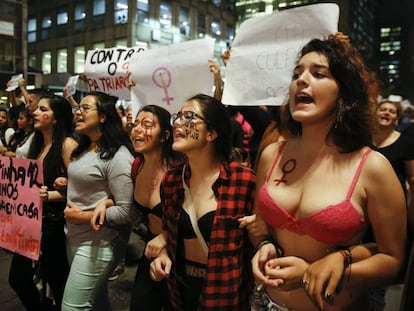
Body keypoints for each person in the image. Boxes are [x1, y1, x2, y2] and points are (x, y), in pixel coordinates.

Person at [250, 33, 406, 311]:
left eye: (318, 74)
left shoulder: (371, 167)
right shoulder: (272, 154)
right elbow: (262, 228)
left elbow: (393, 260)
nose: (302, 79)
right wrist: (264, 246)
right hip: (266, 304)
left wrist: (332, 266)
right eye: (298, 73)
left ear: (343, 93)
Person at [150, 94, 256, 310]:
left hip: (224, 295)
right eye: (177, 116)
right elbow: (168, 232)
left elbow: (260, 239)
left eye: (189, 116)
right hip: (178, 291)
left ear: (212, 133)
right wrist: (162, 254)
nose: (178, 122)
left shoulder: (243, 181)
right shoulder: (171, 180)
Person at [62, 91, 136, 310]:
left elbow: (127, 212)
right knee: (96, 303)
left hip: (100, 241)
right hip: (75, 237)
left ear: (103, 116)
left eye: (86, 108)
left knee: (73, 307)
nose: (78, 113)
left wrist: (82, 217)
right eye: (78, 109)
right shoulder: (84, 149)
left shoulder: (118, 156)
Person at [8, 94, 77, 311]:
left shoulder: (67, 145)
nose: (35, 112)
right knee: (17, 278)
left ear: (56, 119)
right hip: (28, 221)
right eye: (36, 109)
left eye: (42, 109)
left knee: (56, 281)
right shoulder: (35, 145)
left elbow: (79, 190)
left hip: (51, 224)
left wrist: (52, 195)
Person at [124, 104, 181, 310]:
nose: (137, 129)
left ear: (165, 136)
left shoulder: (178, 170)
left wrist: (165, 237)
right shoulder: (137, 165)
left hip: (181, 251)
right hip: (152, 248)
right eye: (136, 124)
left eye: (147, 124)